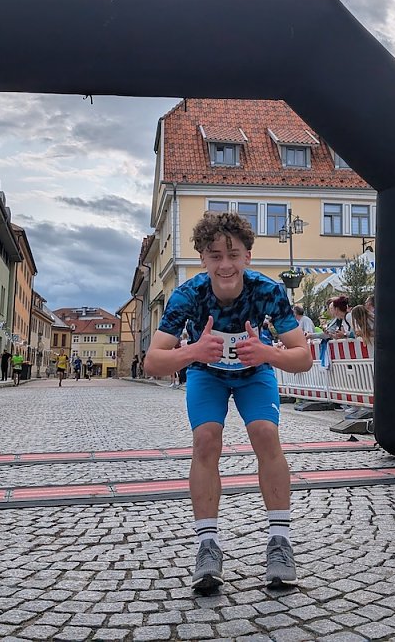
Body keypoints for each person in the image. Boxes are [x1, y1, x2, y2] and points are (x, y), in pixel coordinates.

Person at [143, 211, 312, 593]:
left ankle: (280, 542)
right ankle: (207, 546)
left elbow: (302, 357)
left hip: (254, 372)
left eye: (233, 255)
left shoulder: (267, 290)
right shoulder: (188, 295)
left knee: (265, 433)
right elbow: (153, 361)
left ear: (247, 257)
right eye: (215, 255)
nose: (225, 265)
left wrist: (267, 354)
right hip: (208, 374)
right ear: (203, 258)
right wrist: (193, 351)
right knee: (205, 440)